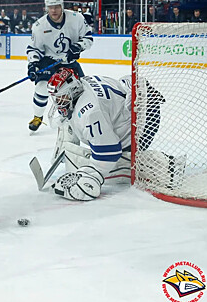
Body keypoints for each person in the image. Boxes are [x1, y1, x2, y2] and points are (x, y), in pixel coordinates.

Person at [45, 67, 165, 201]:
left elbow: (110, 152)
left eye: (61, 97)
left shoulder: (90, 112)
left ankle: (162, 166)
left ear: (73, 90)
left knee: (114, 161)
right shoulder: (82, 84)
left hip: (143, 122)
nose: (58, 103)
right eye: (56, 98)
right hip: (134, 103)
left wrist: (93, 175)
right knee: (69, 116)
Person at [26, 0, 93, 132]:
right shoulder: (39, 26)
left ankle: (80, 119)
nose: (53, 10)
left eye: (56, 6)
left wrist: (77, 47)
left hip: (69, 61)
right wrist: (32, 64)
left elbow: (88, 38)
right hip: (48, 61)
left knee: (82, 90)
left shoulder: (76, 18)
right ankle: (38, 117)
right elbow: (33, 49)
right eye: (50, 7)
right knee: (42, 87)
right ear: (46, 8)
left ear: (62, 5)